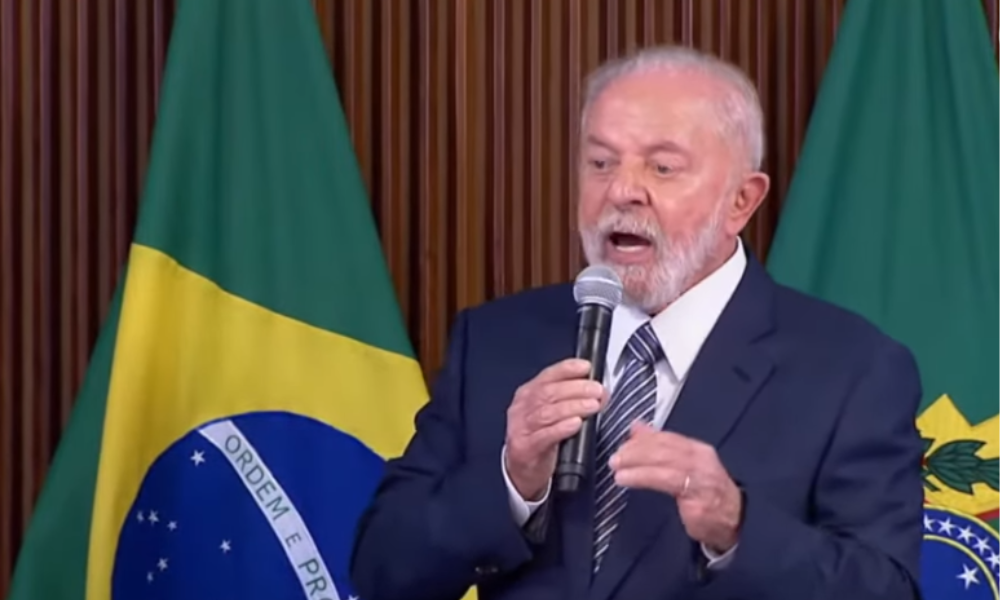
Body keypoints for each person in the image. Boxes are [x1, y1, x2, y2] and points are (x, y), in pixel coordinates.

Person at [350, 45, 925, 600]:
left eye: (663, 167)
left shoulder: (852, 369)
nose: (621, 191)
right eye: (600, 163)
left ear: (741, 201)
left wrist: (737, 527)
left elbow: (886, 590)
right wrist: (509, 481)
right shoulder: (497, 341)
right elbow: (381, 571)